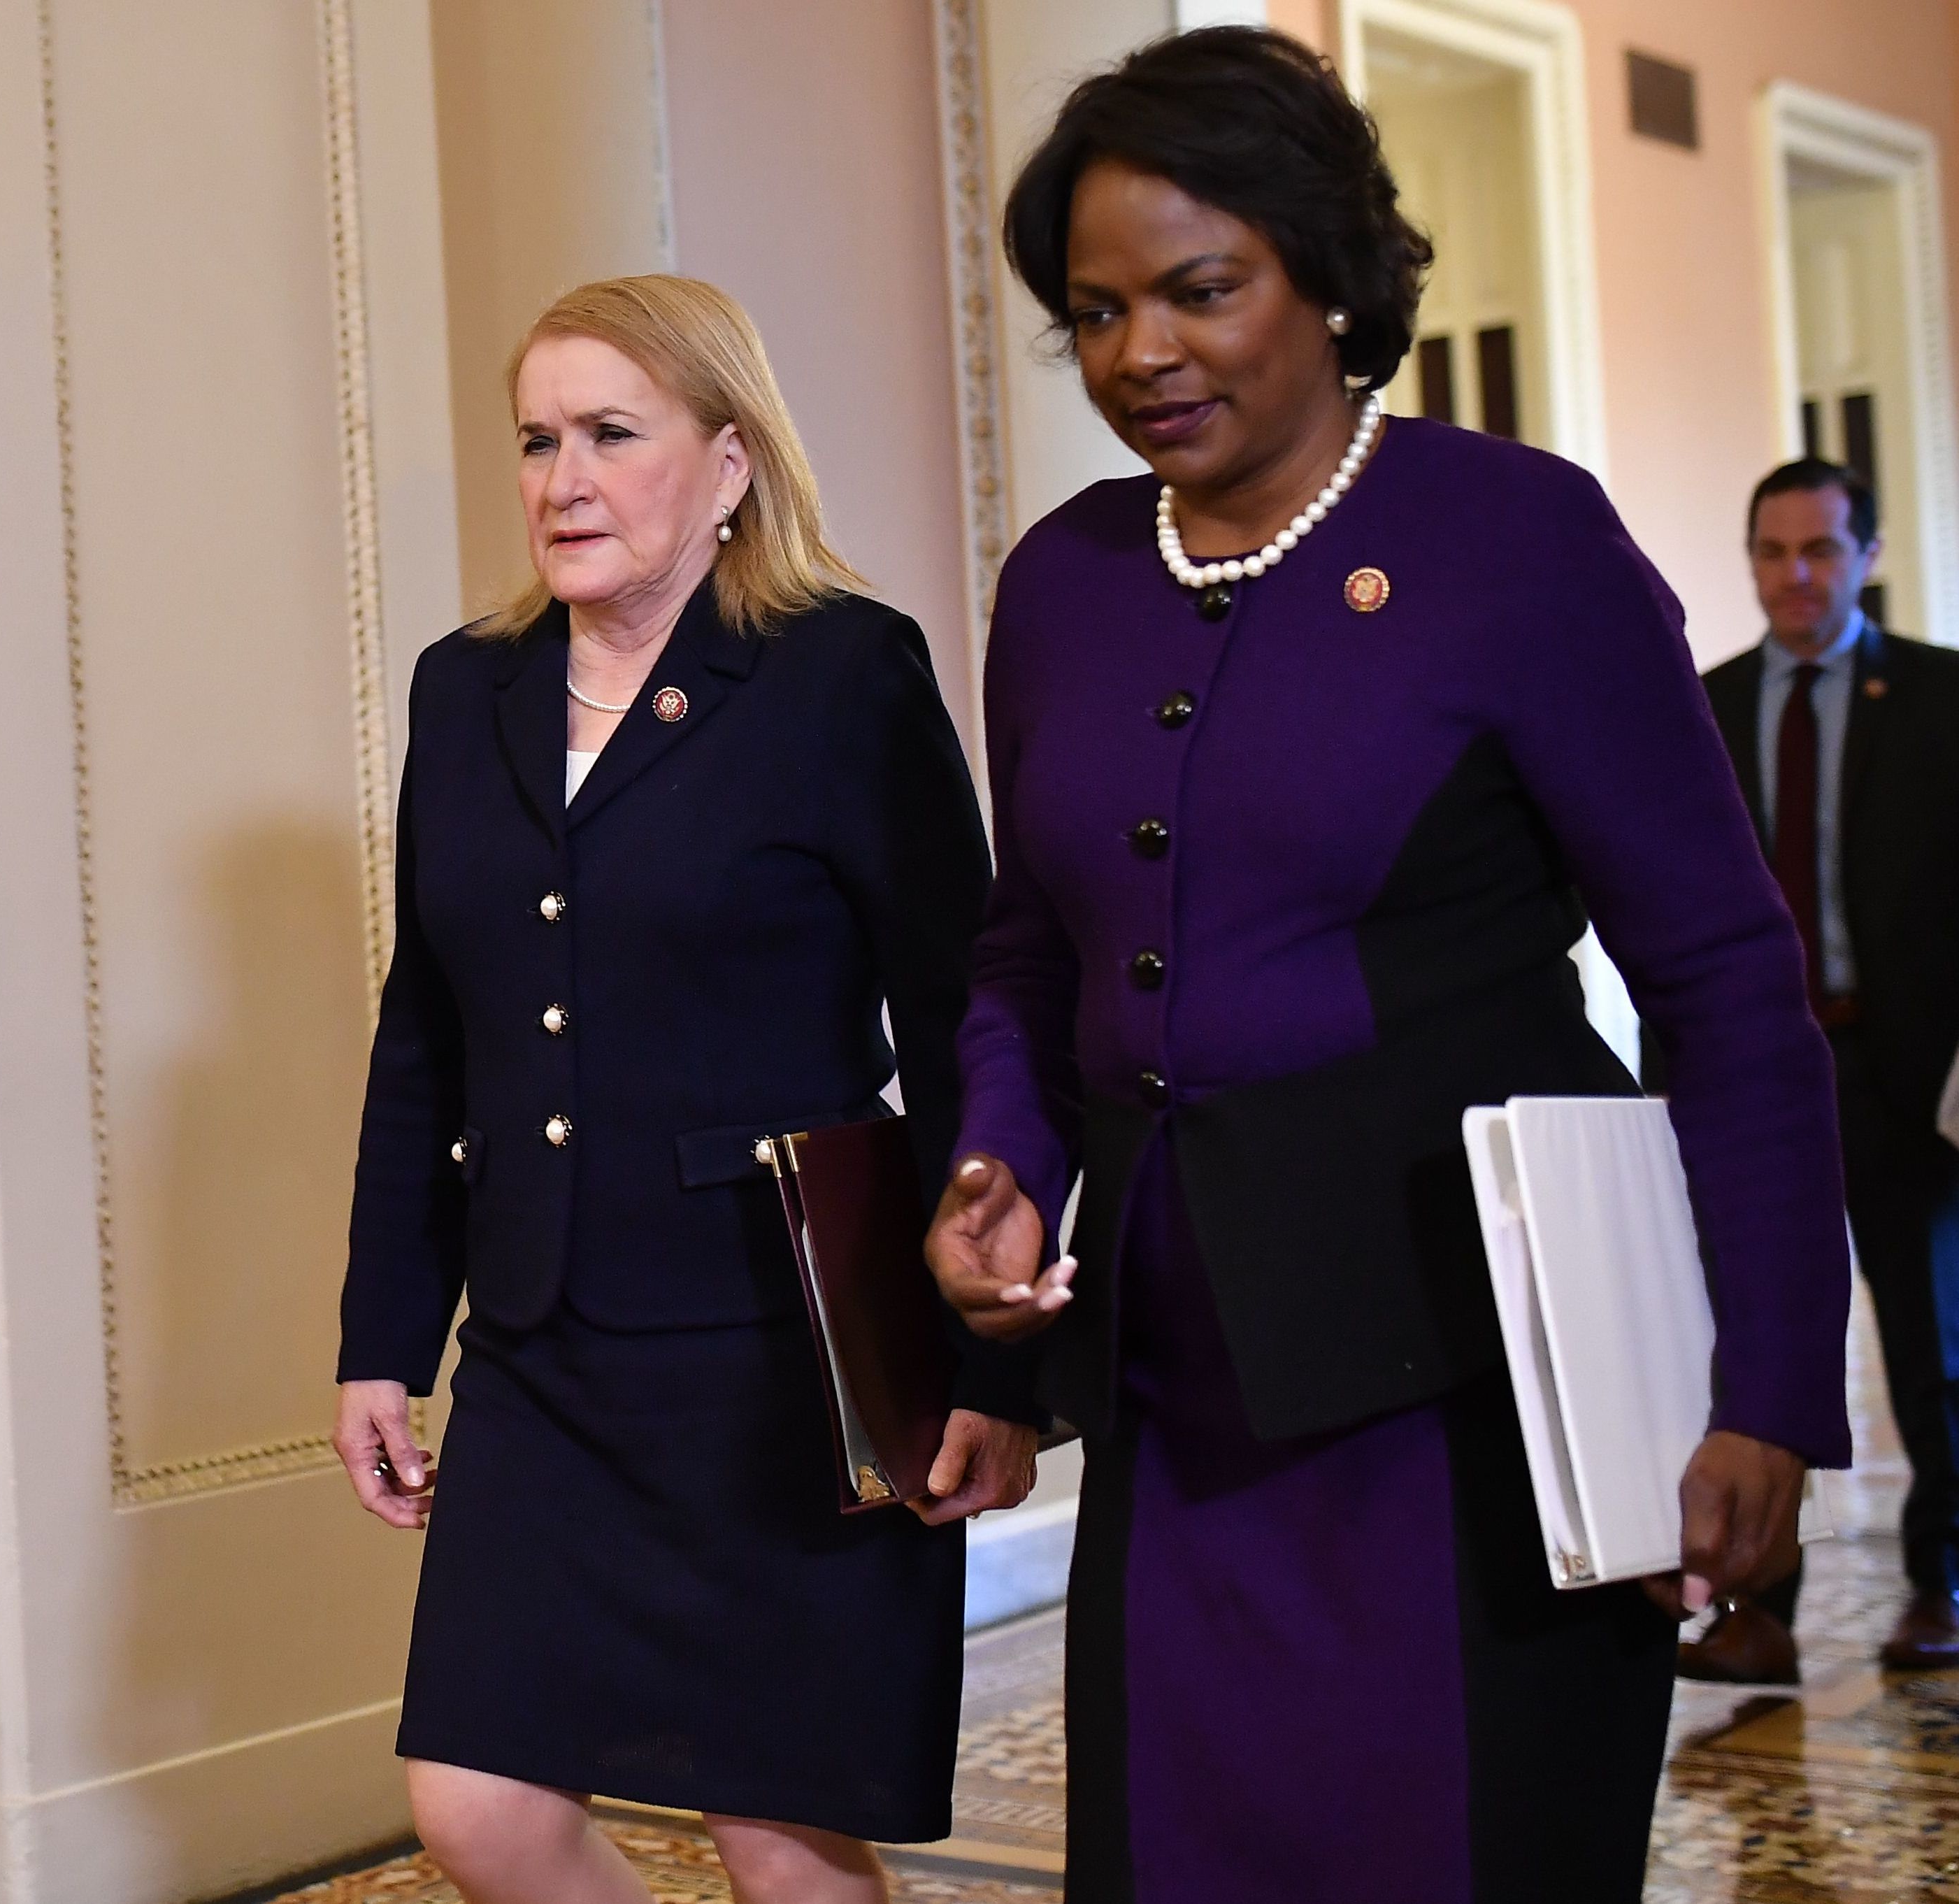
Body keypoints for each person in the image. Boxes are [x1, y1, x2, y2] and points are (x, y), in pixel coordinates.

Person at [921, 29, 1851, 1903]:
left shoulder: (1519, 542)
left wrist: (1768, 1387)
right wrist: (994, 1166)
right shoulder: (1067, 580)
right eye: (1096, 312)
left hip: (1479, 1400)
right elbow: (1028, 946)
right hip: (1182, 1410)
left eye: (1202, 290)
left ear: (1330, 273)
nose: (1142, 355)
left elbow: (1727, 980)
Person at [333, 274, 1041, 1904]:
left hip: (776, 1356)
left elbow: (959, 1023)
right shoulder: (468, 692)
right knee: (475, 1806)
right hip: (537, 1352)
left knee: (780, 1839)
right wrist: (384, 1337)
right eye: (535, 439)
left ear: (727, 468)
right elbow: (424, 1038)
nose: (561, 478)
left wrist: (997, 1366)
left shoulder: (839, 674)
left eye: (609, 434)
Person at [1678, 460, 1959, 1683]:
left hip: (1910, 1074)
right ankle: (1755, 1607)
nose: (1798, 575)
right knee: (1755, 1345)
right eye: (1775, 552)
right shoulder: (1702, 706)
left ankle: (1940, 1585)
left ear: (1869, 555)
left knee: (1934, 1346)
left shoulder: (1943, 697)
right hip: (1756, 1081)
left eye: (1823, 550)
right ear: (1750, 561)